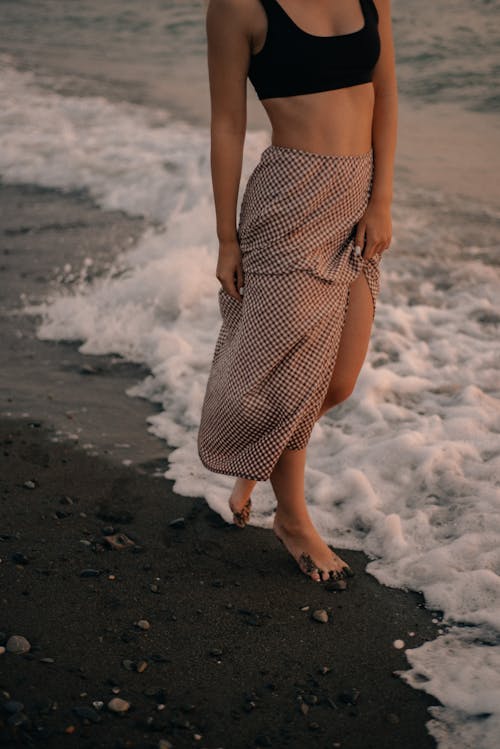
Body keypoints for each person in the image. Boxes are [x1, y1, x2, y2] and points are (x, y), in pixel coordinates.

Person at [198, 0, 397, 583]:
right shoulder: (238, 7)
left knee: (337, 381)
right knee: (292, 379)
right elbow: (227, 123)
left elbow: (385, 95)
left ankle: (258, 455)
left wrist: (381, 200)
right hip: (290, 203)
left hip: (356, 200)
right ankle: (293, 520)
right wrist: (226, 238)